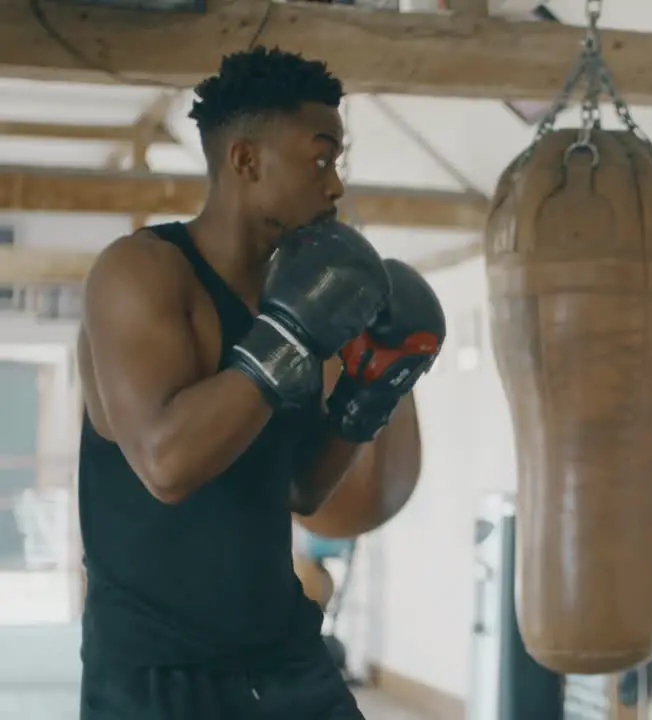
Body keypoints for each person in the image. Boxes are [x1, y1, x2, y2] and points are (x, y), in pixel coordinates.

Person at [76, 47, 441, 719]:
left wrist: (368, 394)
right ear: (247, 160)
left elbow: (302, 489)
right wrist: (292, 336)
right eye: (321, 158)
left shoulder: (298, 296)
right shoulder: (142, 273)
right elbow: (167, 464)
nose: (335, 186)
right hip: (158, 674)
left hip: (283, 655)